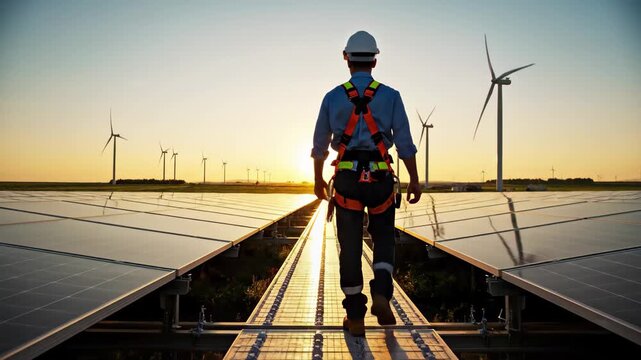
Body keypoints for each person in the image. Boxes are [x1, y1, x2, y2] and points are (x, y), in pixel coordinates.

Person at [311, 30, 422, 337]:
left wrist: (318, 178)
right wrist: (414, 179)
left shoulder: (332, 97)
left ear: (346, 58)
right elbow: (405, 144)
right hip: (381, 178)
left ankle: (356, 317)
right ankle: (382, 293)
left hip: (347, 178)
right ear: (375, 59)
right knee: (384, 238)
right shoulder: (391, 96)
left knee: (349, 246)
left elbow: (319, 144)